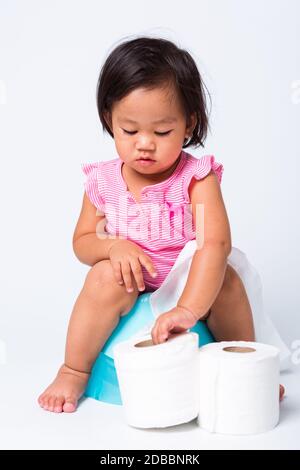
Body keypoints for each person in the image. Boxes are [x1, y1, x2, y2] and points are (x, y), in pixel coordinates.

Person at [38, 36, 284, 413]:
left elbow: (211, 244)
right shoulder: (103, 181)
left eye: (162, 132)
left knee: (227, 281)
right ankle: (74, 369)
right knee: (101, 278)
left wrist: (188, 307)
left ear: (189, 125)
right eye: (130, 130)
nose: (145, 145)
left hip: (188, 276)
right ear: (109, 120)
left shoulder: (197, 179)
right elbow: (83, 241)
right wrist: (112, 247)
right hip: (131, 278)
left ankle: (244, 365)